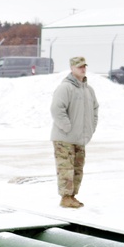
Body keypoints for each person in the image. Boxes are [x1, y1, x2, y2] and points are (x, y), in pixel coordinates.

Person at [50, 56, 98, 208]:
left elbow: (95, 109)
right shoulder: (65, 88)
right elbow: (57, 109)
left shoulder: (88, 90)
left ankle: (72, 196)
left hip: (80, 138)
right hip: (64, 138)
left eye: (84, 66)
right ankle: (65, 197)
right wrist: (67, 127)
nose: (83, 69)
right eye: (79, 66)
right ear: (72, 68)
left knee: (77, 169)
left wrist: (91, 127)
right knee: (66, 168)